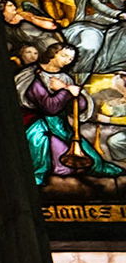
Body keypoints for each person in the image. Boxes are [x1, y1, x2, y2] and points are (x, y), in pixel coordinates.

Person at [18, 41, 123, 182]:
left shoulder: (65, 78)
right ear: (52, 54)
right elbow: (49, 107)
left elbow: (79, 105)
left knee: (86, 155)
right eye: (64, 56)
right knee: (45, 147)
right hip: (35, 122)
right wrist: (66, 91)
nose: (67, 61)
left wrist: (71, 92)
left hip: (60, 124)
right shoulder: (32, 75)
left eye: (70, 59)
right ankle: (38, 176)